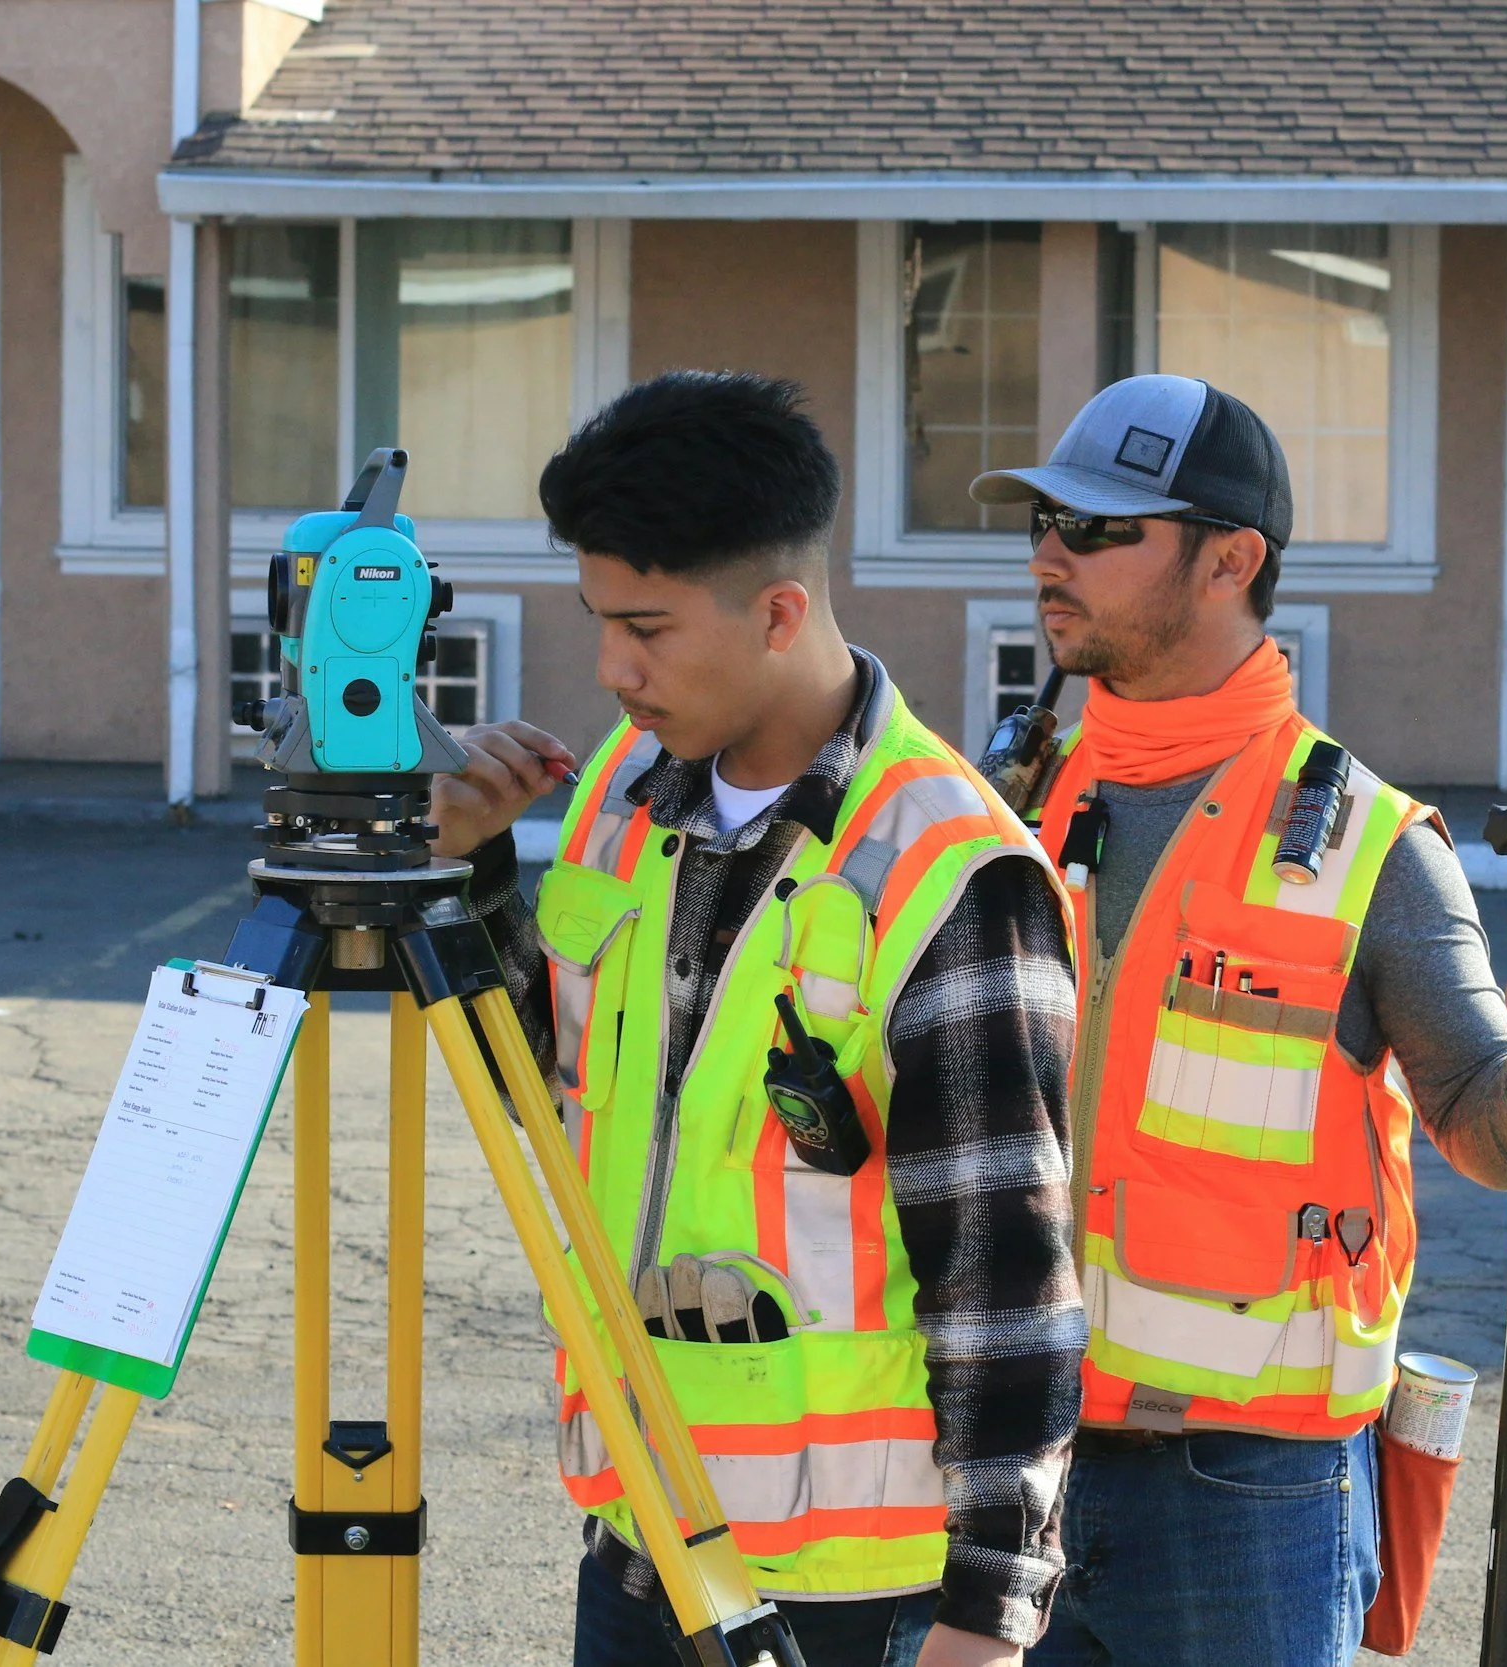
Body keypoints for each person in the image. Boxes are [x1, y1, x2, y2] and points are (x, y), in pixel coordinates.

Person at [428, 371, 1086, 1667]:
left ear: (781, 611)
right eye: (598, 621)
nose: (612, 668)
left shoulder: (947, 868)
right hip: (641, 1538)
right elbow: (549, 1095)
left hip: (860, 1596)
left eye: (649, 628)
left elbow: (1008, 1273)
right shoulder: (623, 794)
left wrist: (990, 1616)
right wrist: (473, 871)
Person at [965, 375, 1507, 1667]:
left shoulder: (1371, 847)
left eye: (1100, 528)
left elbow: (1492, 1135)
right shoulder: (999, 803)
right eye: (1045, 520)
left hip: (1244, 1499)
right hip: (998, 1457)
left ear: (1232, 558)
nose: (1053, 551)